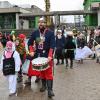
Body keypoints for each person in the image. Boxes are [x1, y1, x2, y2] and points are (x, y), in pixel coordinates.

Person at [27, 17, 55, 98]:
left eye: (42, 22)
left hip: (47, 56)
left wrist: (50, 55)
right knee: (42, 72)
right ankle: (43, 86)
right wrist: (31, 50)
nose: (41, 23)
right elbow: (29, 42)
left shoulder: (50, 33)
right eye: (39, 22)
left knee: (49, 73)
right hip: (39, 55)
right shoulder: (35, 33)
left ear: (45, 23)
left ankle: (50, 90)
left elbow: (52, 45)